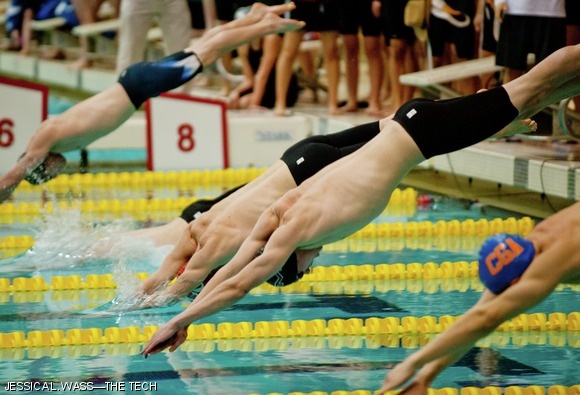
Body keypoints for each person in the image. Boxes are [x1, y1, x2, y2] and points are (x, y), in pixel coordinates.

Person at [140, 44, 580, 358]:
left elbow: (240, 279)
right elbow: (233, 272)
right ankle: (506, 119)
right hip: (408, 126)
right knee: (532, 99)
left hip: (421, 133)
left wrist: (180, 321)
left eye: (305, 267)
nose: (315, 263)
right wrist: (184, 315)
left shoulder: (294, 228)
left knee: (531, 87)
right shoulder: (279, 213)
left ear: (294, 259)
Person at [0, 2, 305, 204]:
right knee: (203, 47)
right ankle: (256, 15)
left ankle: (265, 27)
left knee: (207, 53)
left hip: (136, 86)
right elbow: (47, 166)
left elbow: (13, 174)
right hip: (136, 84)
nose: (54, 171)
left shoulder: (44, 138)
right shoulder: (58, 145)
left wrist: (9, 190)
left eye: (46, 172)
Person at [121, 121, 383, 308]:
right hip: (294, 159)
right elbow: (160, 277)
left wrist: (160, 306)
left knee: (399, 140)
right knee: (391, 128)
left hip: (306, 170)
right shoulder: (192, 233)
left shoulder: (215, 246)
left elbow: (189, 280)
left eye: (305, 271)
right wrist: (135, 298)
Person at [376, 202, 580, 394]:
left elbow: (487, 320)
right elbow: (478, 316)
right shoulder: (526, 248)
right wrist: (426, 376)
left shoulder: (551, 261)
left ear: (516, 281)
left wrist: (411, 363)